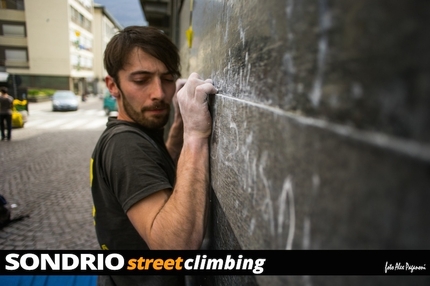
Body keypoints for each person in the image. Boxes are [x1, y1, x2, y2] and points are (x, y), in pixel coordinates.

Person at [90, 26, 217, 286]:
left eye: (167, 78)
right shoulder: (126, 145)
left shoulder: (135, 134)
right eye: (141, 80)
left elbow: (157, 172)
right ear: (113, 85)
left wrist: (180, 125)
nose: (159, 93)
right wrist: (195, 136)